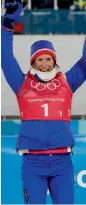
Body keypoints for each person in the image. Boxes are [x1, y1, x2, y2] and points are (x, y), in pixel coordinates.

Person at [1, 0, 86, 204]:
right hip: (32, 163)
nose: (45, 64)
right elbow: (5, 57)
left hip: (62, 162)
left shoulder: (67, 81)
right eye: (40, 59)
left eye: (49, 59)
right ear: (33, 62)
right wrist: (7, 23)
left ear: (54, 61)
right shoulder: (22, 83)